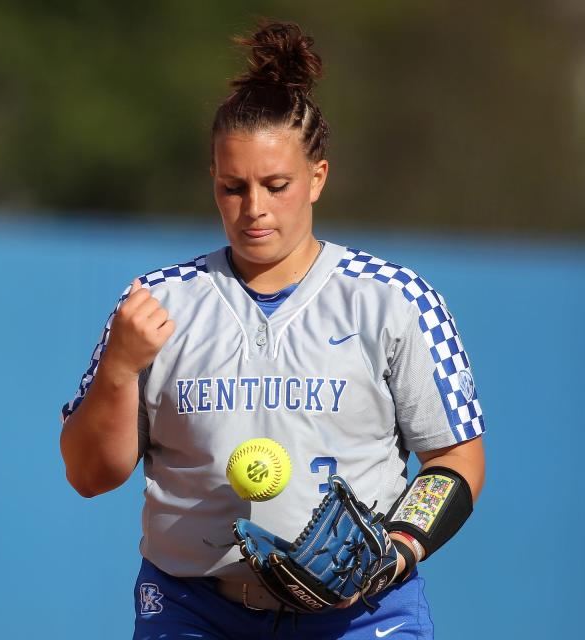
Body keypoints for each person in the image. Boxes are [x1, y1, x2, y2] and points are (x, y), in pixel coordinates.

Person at [60, 20, 485, 640]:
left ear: (317, 177)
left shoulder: (393, 299)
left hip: (360, 615)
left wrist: (398, 548)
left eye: (276, 185)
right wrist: (120, 368)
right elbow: (89, 475)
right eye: (234, 187)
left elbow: (455, 458)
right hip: (194, 610)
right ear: (213, 181)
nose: (254, 207)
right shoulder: (156, 305)